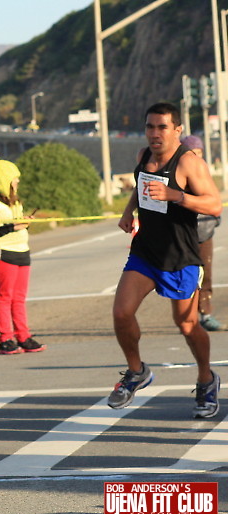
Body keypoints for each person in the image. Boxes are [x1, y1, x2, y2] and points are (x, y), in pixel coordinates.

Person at [109, 102, 222, 419]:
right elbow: (141, 185)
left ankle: (206, 379)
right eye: (150, 127)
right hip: (145, 251)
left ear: (177, 130)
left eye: (162, 127)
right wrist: (128, 211)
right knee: (121, 312)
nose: (155, 133)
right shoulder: (143, 156)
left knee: (187, 325)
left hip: (181, 256)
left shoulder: (188, 162)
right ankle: (136, 372)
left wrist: (178, 196)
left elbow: (214, 205)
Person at [0, 157, 46, 355]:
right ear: (4, 179)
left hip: (22, 251)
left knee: (19, 298)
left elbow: (15, 223)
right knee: (5, 297)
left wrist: (23, 221)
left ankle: (23, 336)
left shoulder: (15, 201)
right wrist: (13, 226)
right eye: (14, 178)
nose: (17, 181)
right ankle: (5, 339)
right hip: (3, 253)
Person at [181, 135, 224, 331]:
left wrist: (215, 217)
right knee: (185, 276)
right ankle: (187, 315)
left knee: (205, 273)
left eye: (199, 153)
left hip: (205, 232)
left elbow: (214, 199)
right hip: (183, 233)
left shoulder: (204, 171)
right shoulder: (180, 171)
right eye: (192, 153)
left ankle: (205, 314)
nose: (196, 156)